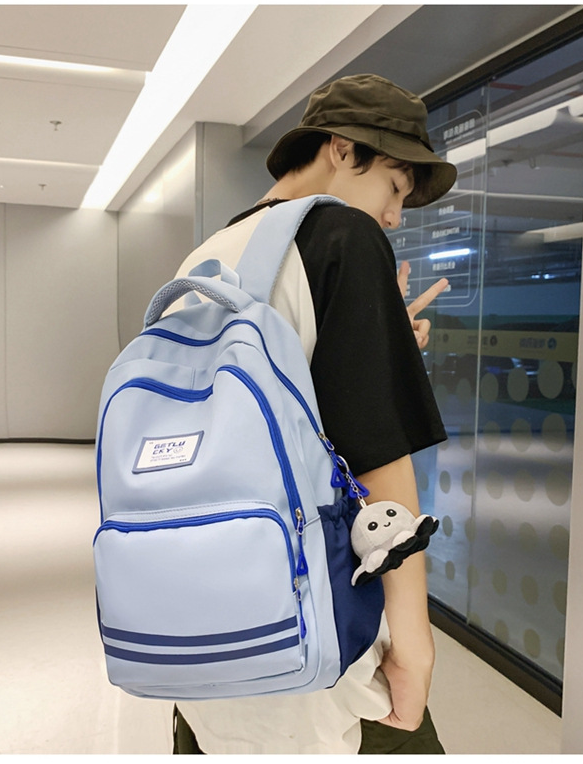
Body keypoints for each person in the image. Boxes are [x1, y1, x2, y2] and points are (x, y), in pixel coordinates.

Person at [170, 73, 457, 754]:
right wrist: (413, 645)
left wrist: (382, 341)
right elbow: (379, 468)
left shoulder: (206, 255)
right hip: (317, 640)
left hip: (200, 625)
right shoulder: (342, 236)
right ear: (342, 148)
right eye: (394, 187)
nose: (395, 215)